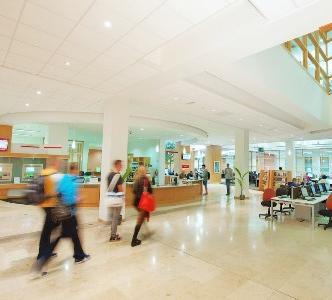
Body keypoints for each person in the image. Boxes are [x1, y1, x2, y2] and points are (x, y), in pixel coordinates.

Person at [34, 158, 63, 275]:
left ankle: (46, 253)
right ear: (55, 164)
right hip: (51, 206)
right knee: (49, 230)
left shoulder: (43, 172)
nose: (59, 165)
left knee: (51, 227)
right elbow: (57, 191)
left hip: (43, 204)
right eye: (58, 163)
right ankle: (42, 258)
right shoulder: (55, 175)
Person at [131, 166, 153, 247]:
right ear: (144, 171)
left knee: (141, 217)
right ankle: (133, 240)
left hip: (136, 202)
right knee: (139, 220)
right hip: (143, 203)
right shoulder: (146, 180)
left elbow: (134, 191)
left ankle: (145, 231)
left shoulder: (136, 180)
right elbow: (150, 191)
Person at [107, 160, 124, 242]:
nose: (122, 166)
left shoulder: (109, 175)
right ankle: (113, 236)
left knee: (112, 217)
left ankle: (112, 233)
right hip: (117, 199)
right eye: (121, 165)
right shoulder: (118, 176)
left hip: (110, 198)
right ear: (117, 165)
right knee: (115, 218)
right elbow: (120, 189)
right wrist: (123, 198)